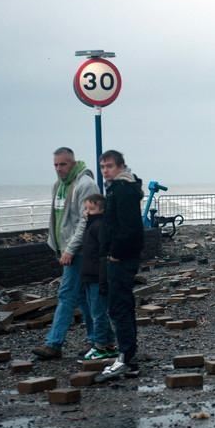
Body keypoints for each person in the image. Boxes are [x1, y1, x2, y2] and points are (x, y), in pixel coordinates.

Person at [33, 147, 99, 360]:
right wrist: (55, 244)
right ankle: (96, 338)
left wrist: (70, 249)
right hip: (65, 250)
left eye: (63, 164)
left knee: (66, 294)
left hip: (80, 251)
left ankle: (54, 344)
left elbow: (85, 220)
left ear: (73, 162)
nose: (59, 169)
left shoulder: (85, 185)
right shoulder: (58, 186)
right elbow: (57, 217)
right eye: (55, 165)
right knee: (82, 297)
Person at [95, 150, 145, 382]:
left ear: (121, 166)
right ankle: (128, 356)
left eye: (109, 166)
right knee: (120, 305)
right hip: (119, 256)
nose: (105, 170)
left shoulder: (123, 189)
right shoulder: (118, 188)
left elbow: (130, 227)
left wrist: (115, 253)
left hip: (122, 258)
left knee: (119, 307)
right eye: (103, 166)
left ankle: (126, 358)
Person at [80, 193, 117, 360]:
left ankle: (100, 345)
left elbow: (103, 255)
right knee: (97, 311)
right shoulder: (91, 226)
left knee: (98, 313)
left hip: (97, 277)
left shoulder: (100, 226)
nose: (87, 212)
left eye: (91, 208)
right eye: (86, 208)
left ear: (101, 209)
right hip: (89, 275)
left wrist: (104, 279)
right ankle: (109, 344)